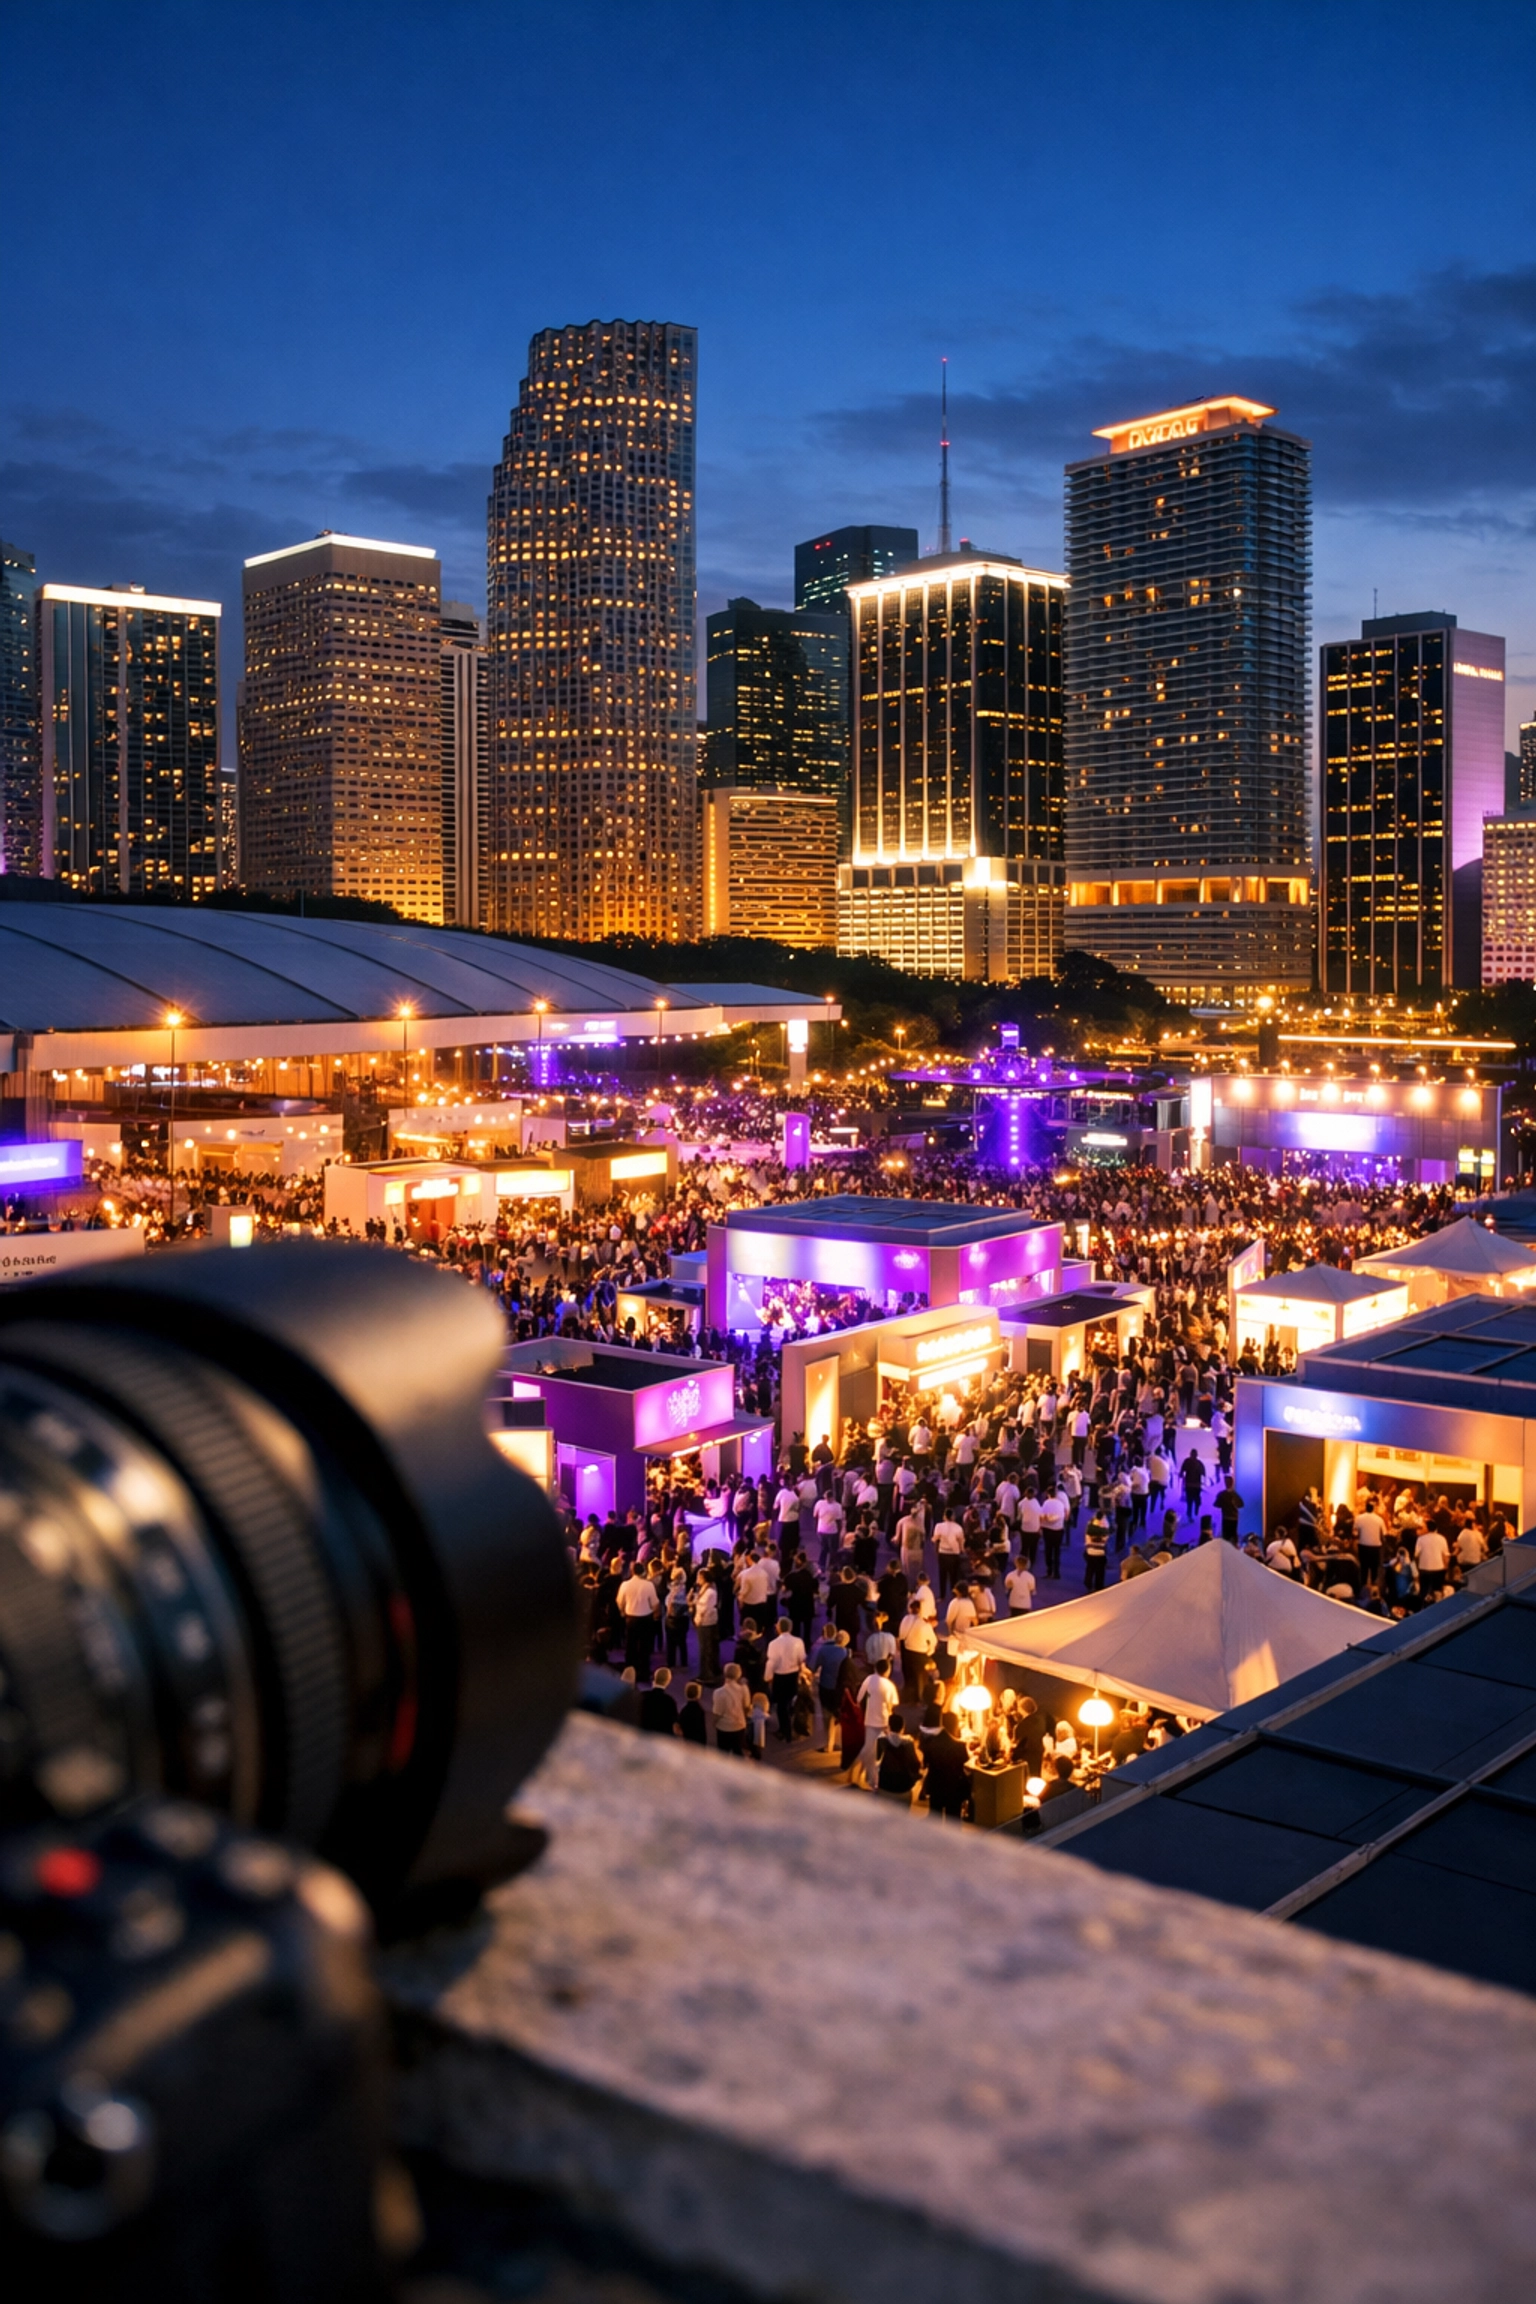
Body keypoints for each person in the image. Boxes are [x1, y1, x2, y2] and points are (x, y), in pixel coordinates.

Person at [853, 1657, 902, 1790]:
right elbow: (893, 1704)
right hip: (884, 1721)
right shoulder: (889, 1685)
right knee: (887, 1749)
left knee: (869, 1749)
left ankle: (861, 1775)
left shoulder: (869, 1679)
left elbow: (859, 1698)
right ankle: (872, 1779)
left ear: (875, 1668)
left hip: (869, 1720)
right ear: (887, 1671)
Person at [764, 1616, 808, 1743]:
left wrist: (768, 1677)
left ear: (779, 1628)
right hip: (793, 1675)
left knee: (781, 1705)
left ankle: (785, 1731)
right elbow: (802, 1659)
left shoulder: (773, 1644)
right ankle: (790, 1726)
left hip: (780, 1677)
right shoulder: (798, 1642)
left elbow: (771, 1663)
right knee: (790, 1700)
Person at [923, 1708, 971, 1821]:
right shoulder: (960, 1745)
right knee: (953, 1820)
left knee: (935, 1819)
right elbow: (965, 1762)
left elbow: (925, 1763)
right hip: (954, 1787)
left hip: (935, 1786)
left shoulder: (931, 1742)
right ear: (955, 1725)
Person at [617, 1560, 660, 1679]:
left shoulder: (625, 1585)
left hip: (630, 1618)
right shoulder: (648, 1585)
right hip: (646, 1618)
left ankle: (630, 1671)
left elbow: (620, 1601)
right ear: (643, 1572)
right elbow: (655, 1603)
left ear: (632, 1571)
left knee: (630, 1645)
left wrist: (623, 1611)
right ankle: (644, 1672)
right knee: (644, 1646)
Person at [875, 1718, 924, 1805]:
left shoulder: (881, 1741)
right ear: (903, 1728)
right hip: (903, 1788)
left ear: (888, 1727)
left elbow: (874, 1761)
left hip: (884, 1786)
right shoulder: (908, 1743)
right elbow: (915, 1764)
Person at [711, 1662, 750, 1756]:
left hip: (724, 1727)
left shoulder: (719, 1692)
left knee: (723, 1754)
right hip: (739, 1725)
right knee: (738, 1752)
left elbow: (718, 1713)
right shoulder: (744, 1689)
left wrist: (714, 1723)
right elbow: (747, 1707)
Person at [691, 1572, 721, 1686]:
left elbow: (705, 1608)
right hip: (704, 1621)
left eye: (699, 1577)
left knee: (706, 1648)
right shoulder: (703, 1590)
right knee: (707, 1647)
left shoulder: (710, 1592)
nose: (697, 1579)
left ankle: (706, 1674)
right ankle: (710, 1671)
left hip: (706, 1623)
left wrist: (698, 1620)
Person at [638, 1665, 680, 1736]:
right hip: (661, 1737)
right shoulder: (669, 1701)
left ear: (654, 1677)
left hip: (643, 1735)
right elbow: (674, 1723)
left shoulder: (643, 1695)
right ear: (668, 1681)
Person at [1083, 1513, 1110, 1593]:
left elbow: (1087, 1539)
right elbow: (1105, 1540)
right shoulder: (1104, 1528)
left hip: (1090, 1552)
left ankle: (1088, 1584)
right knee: (1100, 1571)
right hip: (1100, 1553)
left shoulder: (1089, 1527)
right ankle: (1099, 1586)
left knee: (1090, 1568)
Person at [678, 1680, 708, 1746]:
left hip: (687, 1741)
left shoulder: (684, 1710)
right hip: (698, 1742)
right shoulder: (699, 1710)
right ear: (698, 1694)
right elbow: (702, 1730)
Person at [748, 1689, 771, 1762]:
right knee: (759, 1742)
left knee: (752, 1741)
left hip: (753, 1728)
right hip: (760, 1729)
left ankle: (754, 1755)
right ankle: (757, 1755)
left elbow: (750, 1716)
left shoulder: (755, 1710)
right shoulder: (763, 1713)